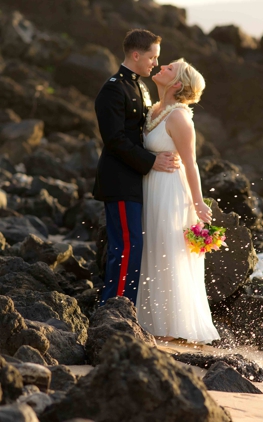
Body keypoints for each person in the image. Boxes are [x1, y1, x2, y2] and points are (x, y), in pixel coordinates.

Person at [93, 29, 180, 306]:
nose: (155, 62)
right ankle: (114, 310)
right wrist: (152, 161)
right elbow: (114, 140)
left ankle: (123, 308)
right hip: (119, 180)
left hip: (136, 180)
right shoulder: (113, 88)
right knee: (128, 247)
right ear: (136, 54)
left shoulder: (140, 87)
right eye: (152, 57)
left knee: (132, 247)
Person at [136, 59, 220, 344]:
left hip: (171, 192)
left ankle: (173, 327)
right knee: (151, 249)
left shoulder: (180, 118)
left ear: (178, 85)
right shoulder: (154, 110)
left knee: (167, 251)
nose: (162, 67)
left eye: (169, 68)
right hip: (151, 187)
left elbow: (191, 163)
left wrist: (198, 203)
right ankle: (149, 321)